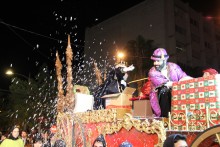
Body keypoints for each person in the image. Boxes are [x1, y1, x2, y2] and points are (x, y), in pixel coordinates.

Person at [148, 48, 191, 117]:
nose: (155, 63)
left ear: (164, 60)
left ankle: (185, 114)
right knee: (164, 89)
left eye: (158, 61)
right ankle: (166, 117)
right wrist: (178, 84)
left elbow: (183, 76)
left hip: (177, 91)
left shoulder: (174, 67)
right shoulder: (152, 72)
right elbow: (165, 84)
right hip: (160, 96)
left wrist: (188, 80)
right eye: (154, 61)